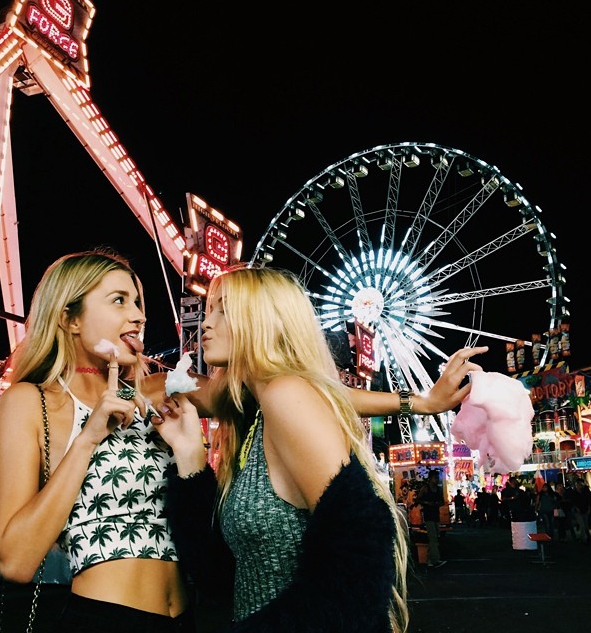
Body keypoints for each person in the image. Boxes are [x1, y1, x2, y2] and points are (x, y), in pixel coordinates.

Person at [155, 265, 487, 631]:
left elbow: (357, 549)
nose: (206, 323)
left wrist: (419, 403)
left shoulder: (286, 395)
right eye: (207, 310)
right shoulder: (258, 407)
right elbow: (169, 388)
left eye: (224, 309)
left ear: (266, 320)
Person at [0, 250, 196, 632]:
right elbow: (15, 562)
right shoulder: (31, 402)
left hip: (185, 617)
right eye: (119, 300)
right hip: (104, 620)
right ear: (70, 319)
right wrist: (89, 437)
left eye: (137, 302)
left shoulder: (154, 393)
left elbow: (248, 388)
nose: (138, 314)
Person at [416, 469, 447, 567]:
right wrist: (427, 503)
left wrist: (437, 504)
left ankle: (429, 559)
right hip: (428, 516)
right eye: (435, 478)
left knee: (434, 538)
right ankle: (435, 560)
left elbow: (442, 501)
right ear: (430, 479)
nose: (437, 480)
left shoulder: (438, 489)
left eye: (438, 478)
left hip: (435, 515)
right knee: (433, 538)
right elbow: (418, 499)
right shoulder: (425, 488)